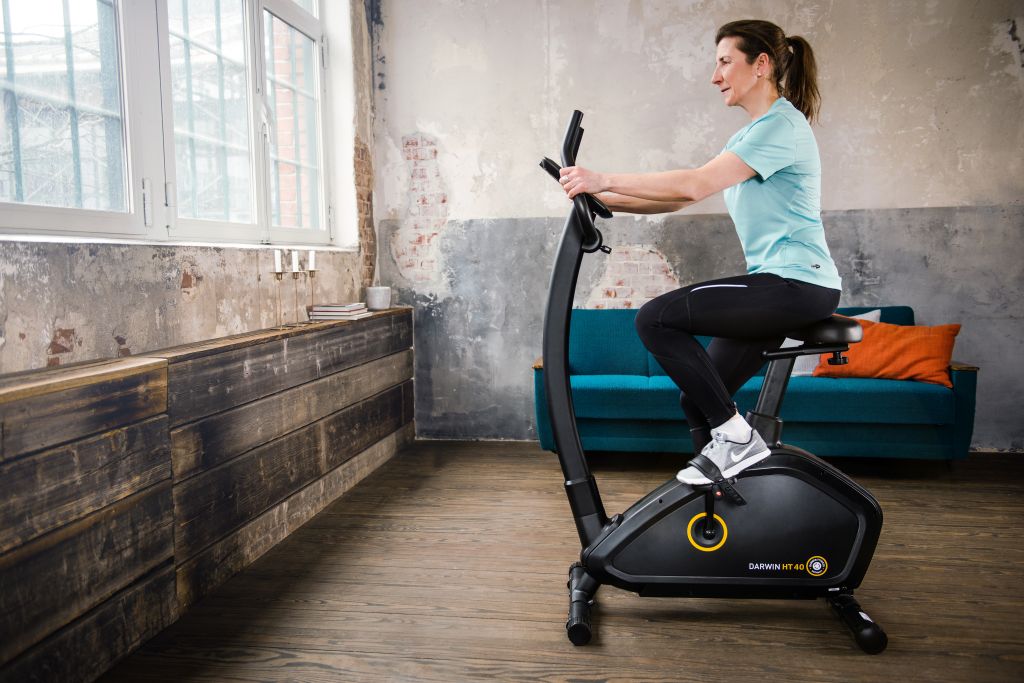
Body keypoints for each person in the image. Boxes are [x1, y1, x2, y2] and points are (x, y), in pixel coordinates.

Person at [558, 20, 841, 486]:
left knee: (655, 319)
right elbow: (681, 198)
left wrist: (603, 178)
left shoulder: (781, 126)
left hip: (797, 284)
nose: (715, 76)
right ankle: (730, 502)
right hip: (784, 284)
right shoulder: (752, 135)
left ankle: (738, 440)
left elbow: (693, 182)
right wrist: (601, 200)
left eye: (725, 62)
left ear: (762, 64)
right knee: (699, 400)